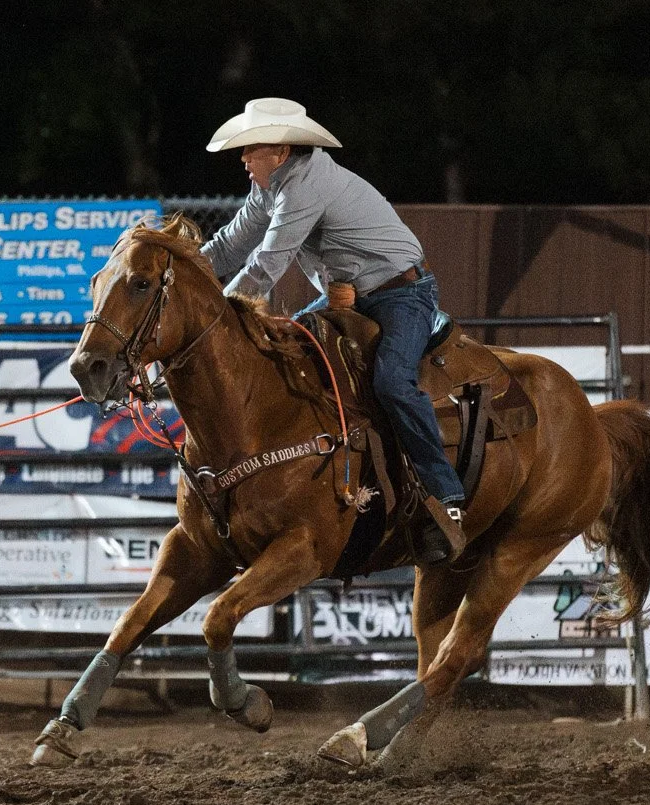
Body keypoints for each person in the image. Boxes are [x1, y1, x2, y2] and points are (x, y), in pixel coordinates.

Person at [199, 98, 466, 565]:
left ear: (279, 152)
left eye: (251, 149)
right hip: (352, 295)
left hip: (403, 293)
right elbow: (231, 243)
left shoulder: (304, 186)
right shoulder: (272, 187)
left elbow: (267, 262)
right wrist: (185, 272)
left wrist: (218, 315)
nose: (242, 159)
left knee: (392, 382)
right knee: (291, 356)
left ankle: (447, 497)